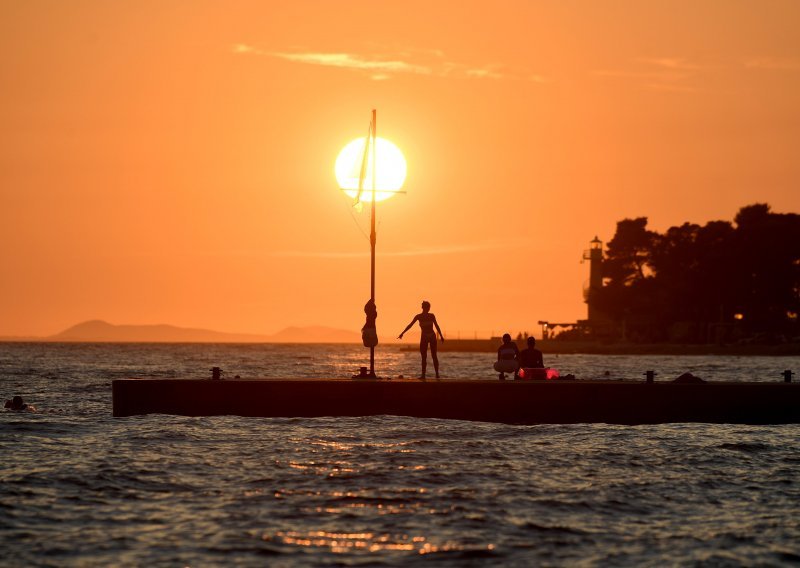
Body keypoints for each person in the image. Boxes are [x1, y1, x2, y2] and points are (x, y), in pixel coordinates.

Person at [398, 301, 444, 379]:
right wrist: (403, 332)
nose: (428, 309)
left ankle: (436, 374)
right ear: (424, 308)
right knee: (424, 356)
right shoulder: (418, 316)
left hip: (431, 336)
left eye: (429, 307)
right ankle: (424, 375)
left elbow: (436, 326)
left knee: (433, 355)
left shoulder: (431, 315)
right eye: (427, 307)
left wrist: (441, 336)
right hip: (425, 337)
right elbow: (410, 325)